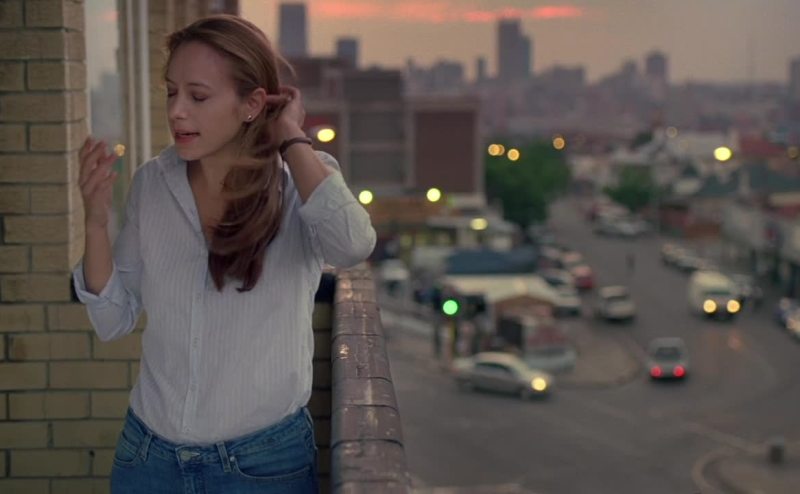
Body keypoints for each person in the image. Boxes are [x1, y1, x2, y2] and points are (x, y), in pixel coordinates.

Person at [72, 14, 375, 493]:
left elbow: (353, 244)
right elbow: (113, 318)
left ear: (252, 104)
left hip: (263, 467)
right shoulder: (153, 184)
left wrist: (290, 135)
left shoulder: (300, 183)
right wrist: (94, 222)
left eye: (198, 96)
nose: (176, 111)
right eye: (171, 92)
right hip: (148, 460)